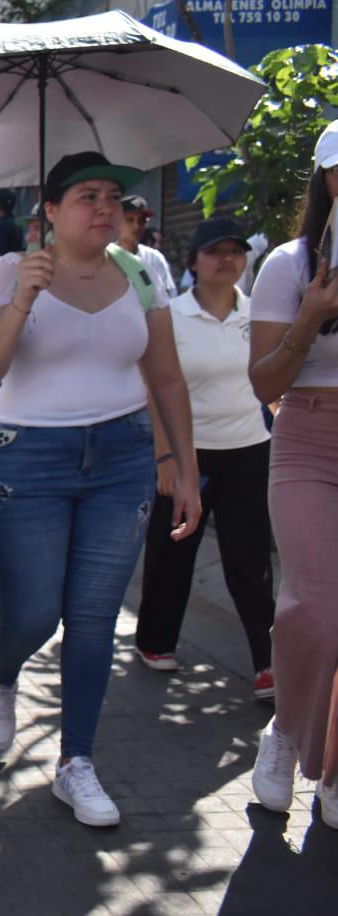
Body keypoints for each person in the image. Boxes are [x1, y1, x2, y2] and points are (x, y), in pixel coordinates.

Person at [0, 152, 202, 828]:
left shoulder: (141, 273)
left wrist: (184, 469)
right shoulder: (13, 271)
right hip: (28, 459)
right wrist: (22, 299)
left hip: (122, 459)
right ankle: (3, 673)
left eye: (112, 197)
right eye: (87, 196)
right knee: (33, 614)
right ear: (51, 209)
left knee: (95, 617)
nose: (104, 207)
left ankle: (77, 762)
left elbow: (167, 378)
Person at [134, 217, 274, 694]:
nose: (227, 260)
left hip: (249, 448)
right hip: (189, 452)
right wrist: (166, 456)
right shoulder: (170, 316)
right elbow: (153, 387)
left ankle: (267, 662)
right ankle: (156, 641)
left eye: (235, 251)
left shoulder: (259, 314)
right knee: (173, 550)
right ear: (194, 261)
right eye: (215, 251)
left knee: (250, 559)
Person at [245, 120, 338, 830]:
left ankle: (331, 767)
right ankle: (284, 729)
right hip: (306, 435)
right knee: (315, 607)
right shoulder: (289, 264)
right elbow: (264, 382)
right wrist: (310, 317)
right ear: (325, 178)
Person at [118, 195, 178, 303]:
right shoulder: (105, 256)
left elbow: (169, 297)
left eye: (142, 220)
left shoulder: (154, 258)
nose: (136, 226)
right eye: (130, 220)